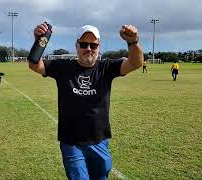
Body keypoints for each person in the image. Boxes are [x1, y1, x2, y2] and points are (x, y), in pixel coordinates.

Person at [28, 23, 143, 179]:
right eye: (84, 44)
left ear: (98, 47)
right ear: (76, 46)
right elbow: (35, 64)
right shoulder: (62, 66)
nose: (88, 48)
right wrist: (40, 40)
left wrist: (133, 42)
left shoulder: (106, 67)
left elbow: (135, 63)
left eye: (93, 45)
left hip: (99, 141)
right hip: (71, 142)